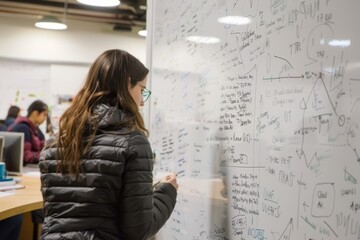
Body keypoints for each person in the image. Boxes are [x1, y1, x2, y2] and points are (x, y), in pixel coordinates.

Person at [39, 49, 178, 240]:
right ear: (127, 83)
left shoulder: (57, 140)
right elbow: (139, 230)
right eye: (142, 90)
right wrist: (167, 191)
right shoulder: (132, 141)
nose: (142, 102)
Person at [9, 100, 48, 165]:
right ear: (35, 113)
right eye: (44, 115)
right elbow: (26, 155)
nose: (45, 118)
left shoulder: (36, 129)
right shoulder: (23, 128)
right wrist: (45, 156)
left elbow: (44, 149)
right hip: (25, 168)